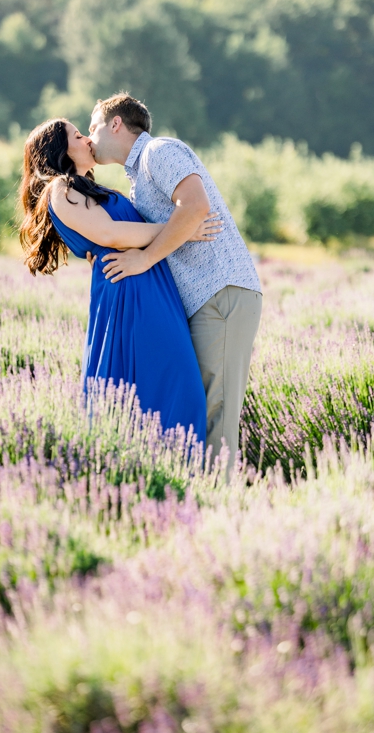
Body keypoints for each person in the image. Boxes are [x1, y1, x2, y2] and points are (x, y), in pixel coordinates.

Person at [86, 93, 263, 481]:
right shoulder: (138, 181)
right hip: (205, 300)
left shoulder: (158, 152)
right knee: (198, 407)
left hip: (222, 292)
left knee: (216, 409)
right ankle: (200, 500)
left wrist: (145, 258)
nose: (89, 138)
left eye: (93, 127)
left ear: (115, 124)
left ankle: (219, 509)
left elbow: (194, 206)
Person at [18, 117, 219, 442]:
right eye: (77, 135)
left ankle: (176, 479)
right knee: (170, 387)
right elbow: (110, 234)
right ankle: (147, 480)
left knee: (175, 387)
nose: (87, 140)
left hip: (147, 283)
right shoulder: (60, 189)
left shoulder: (88, 190)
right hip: (130, 293)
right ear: (58, 150)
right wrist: (185, 229)